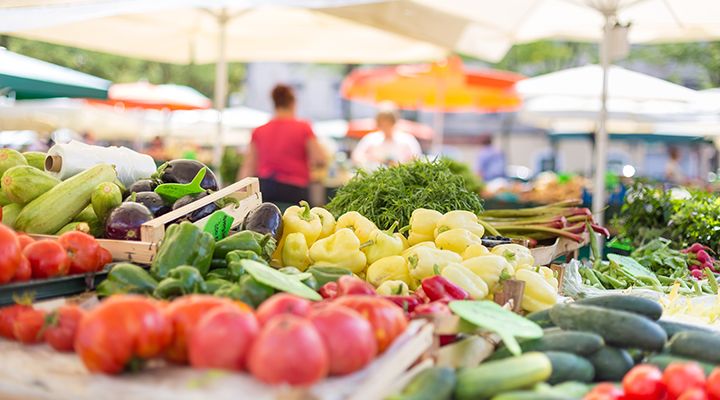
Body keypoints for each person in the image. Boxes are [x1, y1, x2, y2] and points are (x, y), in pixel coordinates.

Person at [239, 84, 325, 204]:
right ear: (293, 103)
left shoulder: (259, 130)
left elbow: (248, 166)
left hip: (266, 188)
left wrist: (240, 194)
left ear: (274, 103)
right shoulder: (303, 128)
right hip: (295, 189)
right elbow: (319, 158)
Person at [351, 103, 422, 170]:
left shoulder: (407, 140)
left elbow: (416, 158)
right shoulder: (370, 139)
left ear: (394, 122)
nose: (385, 127)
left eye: (388, 123)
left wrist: (401, 165)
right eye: (382, 124)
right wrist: (371, 159)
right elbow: (356, 156)